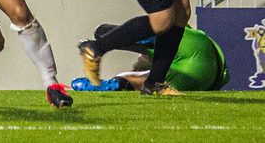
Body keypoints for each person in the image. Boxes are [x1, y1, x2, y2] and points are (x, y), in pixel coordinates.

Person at [72, 24, 229, 92]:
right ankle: (103, 42)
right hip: (206, 67)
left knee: (135, 79)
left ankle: (101, 46)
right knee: (103, 31)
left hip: (198, 76)